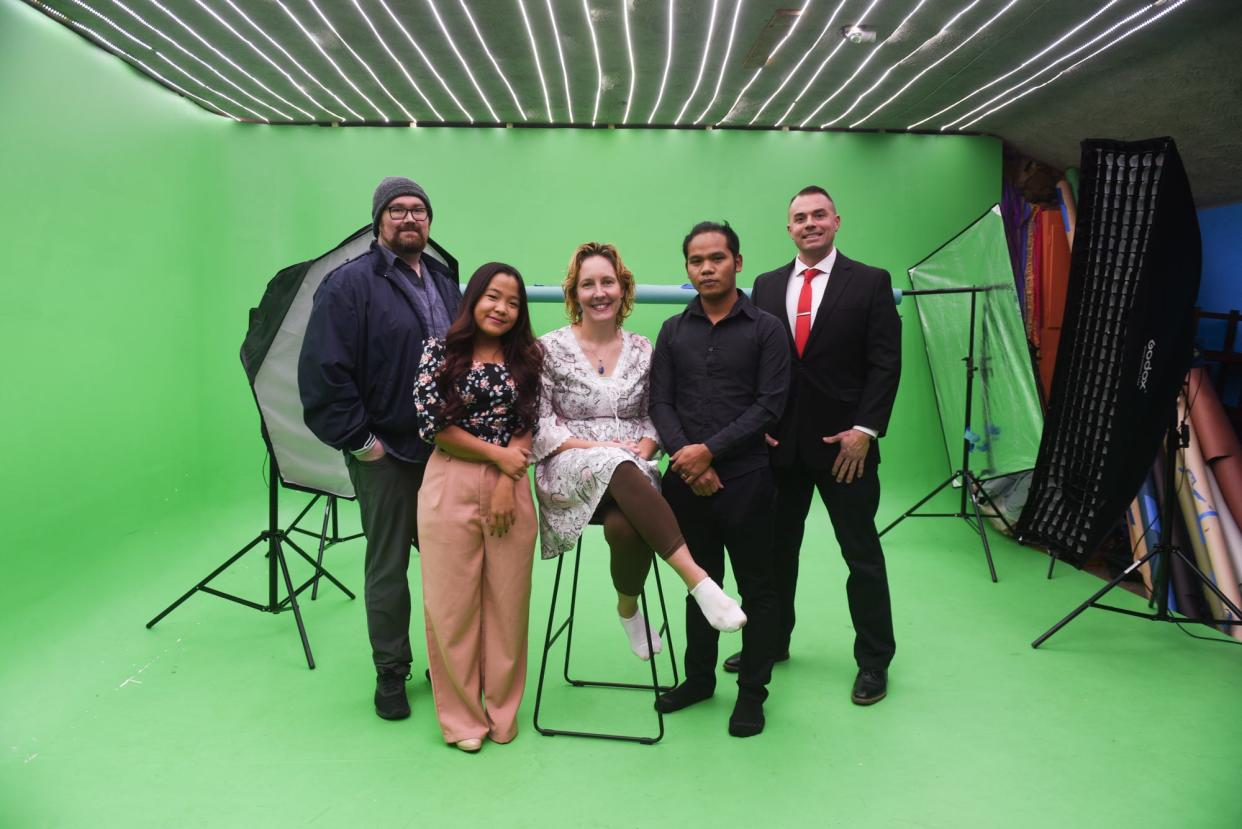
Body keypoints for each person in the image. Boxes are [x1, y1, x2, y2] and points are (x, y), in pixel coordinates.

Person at [532, 243, 748, 661]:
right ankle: (700, 582)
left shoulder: (644, 349)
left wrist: (647, 445)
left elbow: (657, 412)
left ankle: (628, 610)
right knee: (614, 461)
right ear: (575, 294)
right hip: (568, 467)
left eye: (607, 282)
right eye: (588, 284)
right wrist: (601, 447)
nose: (599, 292)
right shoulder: (548, 349)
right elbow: (538, 426)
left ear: (623, 288)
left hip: (634, 468)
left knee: (626, 530)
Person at [299, 177, 458, 721]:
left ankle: (449, 664)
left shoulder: (444, 279)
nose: (409, 218)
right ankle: (391, 672)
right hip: (385, 454)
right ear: (378, 221)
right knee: (388, 567)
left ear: (429, 222)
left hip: (446, 452)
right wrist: (364, 445)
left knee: (448, 564)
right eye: (397, 209)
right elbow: (324, 374)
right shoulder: (348, 285)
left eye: (419, 209)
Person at [746, 185, 901, 705]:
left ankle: (874, 660)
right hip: (780, 447)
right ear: (788, 228)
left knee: (861, 554)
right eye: (798, 217)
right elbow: (758, 363)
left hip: (846, 450)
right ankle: (771, 642)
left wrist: (865, 431)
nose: (809, 223)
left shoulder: (872, 283)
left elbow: (885, 363)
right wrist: (758, 423)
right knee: (774, 555)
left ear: (836, 221)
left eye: (818, 215)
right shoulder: (765, 286)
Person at [649, 221, 789, 737]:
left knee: (758, 588)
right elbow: (659, 400)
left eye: (717, 258)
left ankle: (752, 694)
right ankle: (699, 680)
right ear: (687, 267)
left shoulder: (766, 328)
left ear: (737, 262)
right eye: (696, 260)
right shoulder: (673, 330)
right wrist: (688, 460)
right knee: (700, 584)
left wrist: (709, 452)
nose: (706, 268)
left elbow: (770, 404)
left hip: (749, 480)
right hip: (685, 485)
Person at [413, 261, 542, 753]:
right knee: (451, 607)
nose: (502, 308)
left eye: (512, 301)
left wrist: (511, 475)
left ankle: (502, 712)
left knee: (508, 604)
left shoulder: (529, 359)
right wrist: (500, 458)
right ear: (473, 299)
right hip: (450, 478)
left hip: (512, 482)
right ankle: (463, 720)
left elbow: (529, 420)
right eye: (492, 296)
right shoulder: (439, 352)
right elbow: (432, 425)